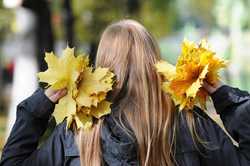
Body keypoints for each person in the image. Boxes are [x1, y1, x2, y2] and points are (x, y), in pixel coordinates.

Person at [1, 20, 250, 166]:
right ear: (154, 62)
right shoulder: (188, 124)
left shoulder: (78, 133)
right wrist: (229, 101)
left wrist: (38, 106)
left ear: (103, 64)